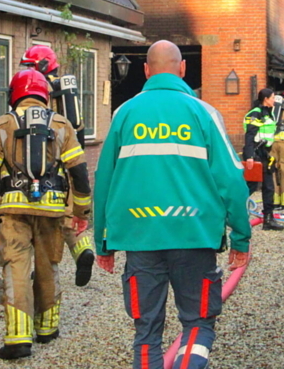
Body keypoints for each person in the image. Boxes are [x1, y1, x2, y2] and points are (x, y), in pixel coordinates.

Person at [93, 40, 252, 369]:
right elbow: (232, 180)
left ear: (146, 70)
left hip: (140, 238)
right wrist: (241, 237)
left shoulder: (124, 114)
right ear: (182, 68)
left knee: (146, 331)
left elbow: (103, 180)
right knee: (198, 324)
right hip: (194, 235)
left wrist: (103, 242)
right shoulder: (204, 113)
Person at [0, 69, 92, 359]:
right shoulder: (62, 125)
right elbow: (79, 172)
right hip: (52, 208)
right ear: (44, 95)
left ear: (14, 94)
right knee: (49, 265)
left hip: (13, 211)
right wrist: (81, 211)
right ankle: (47, 328)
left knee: (16, 266)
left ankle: (18, 338)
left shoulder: (2, 125)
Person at [20, 45, 95, 286]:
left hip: (42, 163)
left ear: (40, 65)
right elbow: (78, 129)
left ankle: (39, 268)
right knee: (69, 215)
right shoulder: (65, 91)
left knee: (37, 217)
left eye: (29, 65)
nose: (26, 70)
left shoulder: (38, 90)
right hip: (69, 162)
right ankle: (83, 250)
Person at [243, 88, 284, 231]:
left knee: (269, 187)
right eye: (272, 97)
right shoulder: (255, 113)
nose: (274, 100)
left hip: (264, 154)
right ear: (266, 99)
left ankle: (268, 219)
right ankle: (233, 210)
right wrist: (249, 156)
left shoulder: (268, 113)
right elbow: (249, 136)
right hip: (255, 153)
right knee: (251, 186)